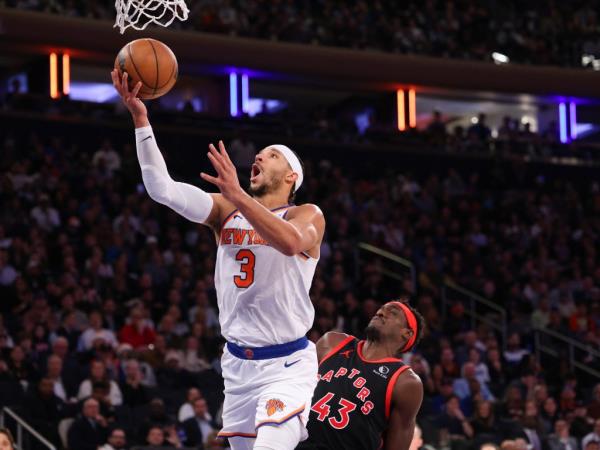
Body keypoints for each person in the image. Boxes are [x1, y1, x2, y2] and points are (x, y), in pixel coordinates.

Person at [112, 69, 325, 450]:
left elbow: (291, 244)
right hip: (237, 367)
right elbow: (161, 189)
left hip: (288, 366)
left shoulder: (305, 214)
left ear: (291, 176)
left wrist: (239, 195)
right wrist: (141, 120)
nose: (259, 156)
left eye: (272, 155)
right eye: (259, 154)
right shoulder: (225, 210)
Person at [296, 300, 424, 450]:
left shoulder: (405, 382)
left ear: (407, 333)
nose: (380, 313)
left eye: (393, 313)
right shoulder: (332, 343)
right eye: (381, 309)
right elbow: (293, 385)